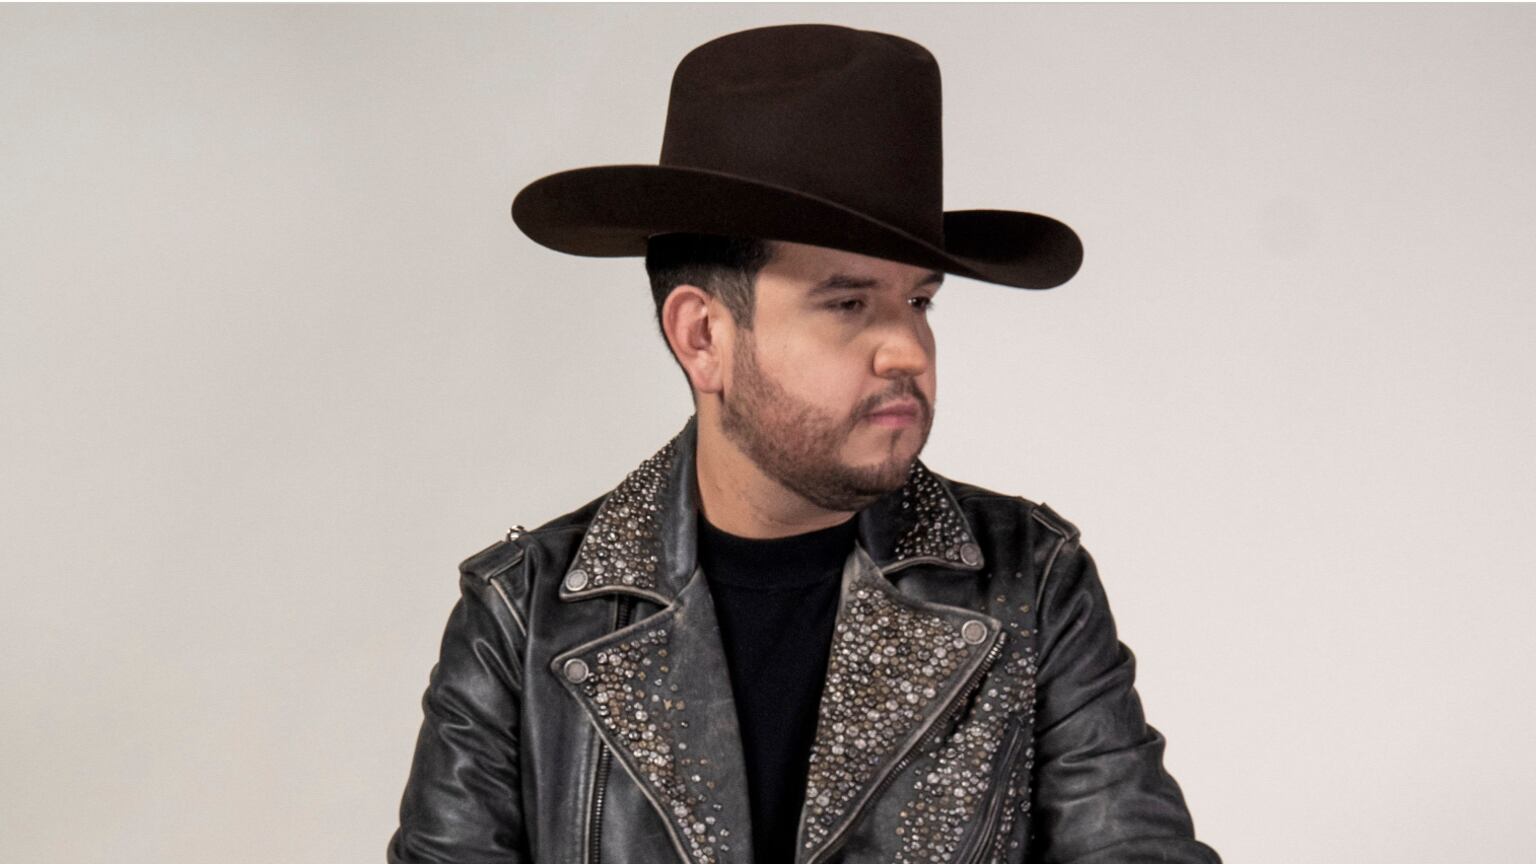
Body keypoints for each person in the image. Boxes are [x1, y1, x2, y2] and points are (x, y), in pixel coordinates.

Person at [388, 23, 1220, 864]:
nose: (908, 351)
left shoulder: (1028, 583)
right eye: (848, 304)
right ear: (703, 336)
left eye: (920, 302)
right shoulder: (525, 615)